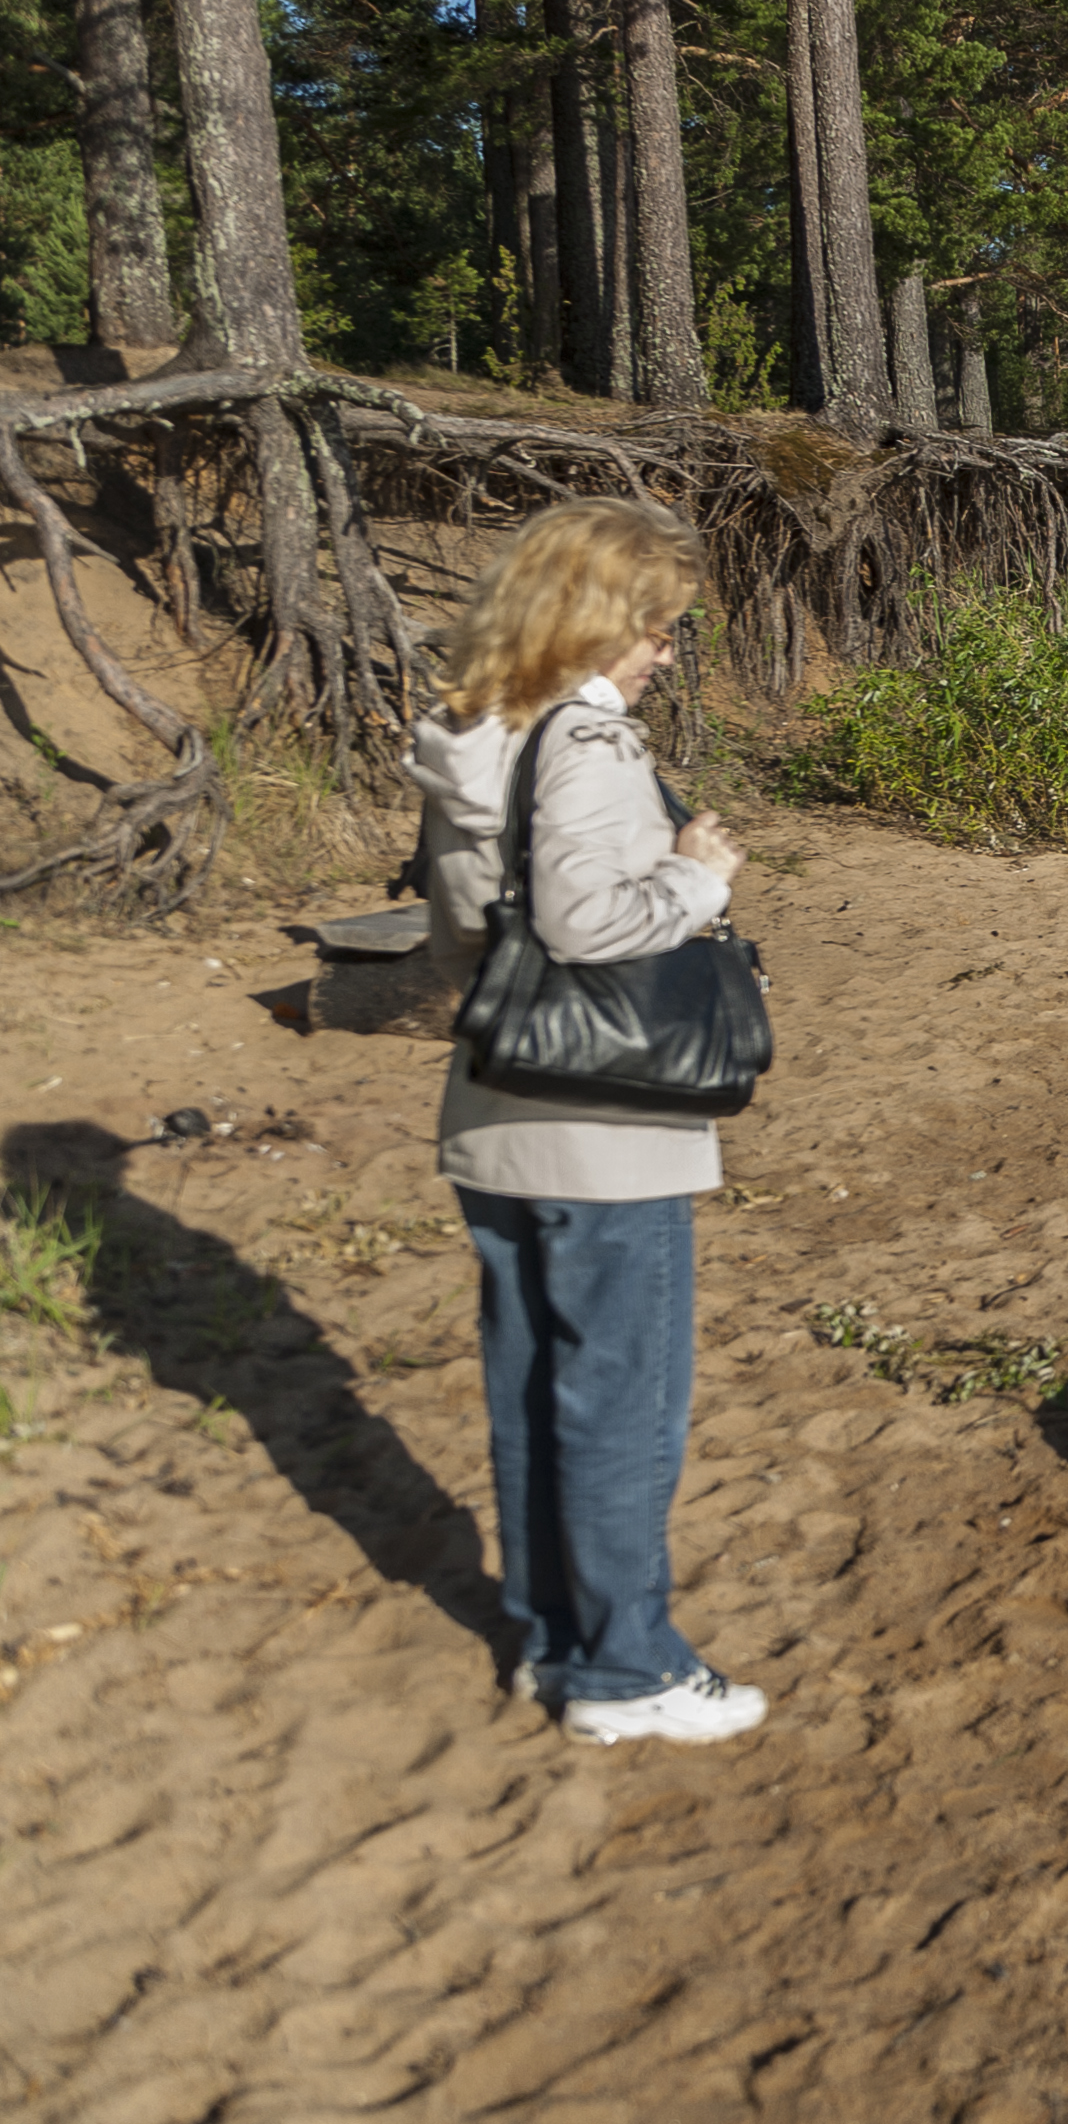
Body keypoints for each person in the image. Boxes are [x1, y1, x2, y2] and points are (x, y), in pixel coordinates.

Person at [405, 497, 764, 1748]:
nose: (666, 651)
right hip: (608, 1124)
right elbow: (584, 924)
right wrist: (697, 874)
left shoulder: (471, 736)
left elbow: (463, 938)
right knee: (621, 1399)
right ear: (601, 620)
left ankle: (551, 1640)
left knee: (532, 1389)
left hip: (495, 1108)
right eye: (658, 627)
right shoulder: (591, 742)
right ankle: (626, 1669)